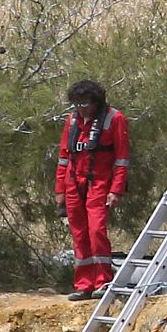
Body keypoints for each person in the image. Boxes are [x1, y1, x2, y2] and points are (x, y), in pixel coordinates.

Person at [55, 79, 130, 301]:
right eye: (77, 104)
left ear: (96, 102)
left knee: (96, 231)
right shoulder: (72, 121)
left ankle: (103, 281)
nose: (81, 108)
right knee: (79, 233)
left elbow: (122, 159)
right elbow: (63, 157)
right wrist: (60, 189)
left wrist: (116, 190)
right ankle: (83, 284)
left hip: (99, 183)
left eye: (85, 103)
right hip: (73, 184)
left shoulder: (114, 119)